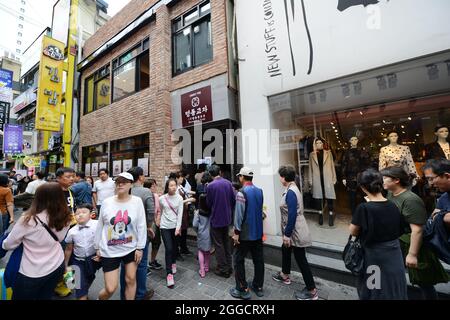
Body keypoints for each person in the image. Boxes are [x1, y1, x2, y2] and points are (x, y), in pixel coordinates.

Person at [381, 166, 449, 299]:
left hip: (412, 244)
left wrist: (412, 254)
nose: (382, 181)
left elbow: (417, 230)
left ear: (396, 180)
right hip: (396, 242)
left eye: (385, 178)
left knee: (423, 281)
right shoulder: (390, 194)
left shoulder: (410, 200)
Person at [2, 183, 72, 300]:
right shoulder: (66, 216)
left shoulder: (29, 218)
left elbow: (9, 244)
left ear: (38, 197)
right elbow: (59, 239)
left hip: (31, 270)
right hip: (56, 264)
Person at [349, 169, 407, 300]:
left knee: (373, 288)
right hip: (394, 254)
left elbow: (353, 231)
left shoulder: (364, 208)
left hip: (374, 255)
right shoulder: (393, 205)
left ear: (363, 188)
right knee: (394, 287)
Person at [94, 172, 147, 300]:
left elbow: (141, 225)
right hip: (109, 250)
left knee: (130, 279)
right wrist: (97, 247)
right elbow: (100, 226)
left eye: (124, 181)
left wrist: (140, 247)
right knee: (111, 288)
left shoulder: (137, 201)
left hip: (130, 248)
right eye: (118, 181)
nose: (120, 184)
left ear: (131, 185)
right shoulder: (107, 202)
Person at [272, 165, 318, 300]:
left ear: (284, 177)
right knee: (285, 249)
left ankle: (312, 290)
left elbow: (292, 214)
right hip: (293, 229)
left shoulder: (291, 191)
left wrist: (287, 235)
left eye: (280, 176)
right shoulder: (291, 187)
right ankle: (284, 275)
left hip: (295, 231)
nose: (279, 178)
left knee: (301, 258)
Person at [119, 167, 155, 300]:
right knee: (141, 264)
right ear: (140, 177)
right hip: (140, 233)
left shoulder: (124, 191)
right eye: (143, 175)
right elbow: (151, 212)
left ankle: (124, 294)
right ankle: (140, 294)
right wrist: (148, 226)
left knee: (125, 264)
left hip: (125, 233)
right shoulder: (146, 191)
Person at [230, 167, 265, 300]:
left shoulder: (241, 193)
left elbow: (239, 216)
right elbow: (260, 211)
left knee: (238, 260)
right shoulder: (260, 191)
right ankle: (258, 286)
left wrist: (236, 233)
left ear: (242, 177)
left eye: (239, 176)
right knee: (259, 260)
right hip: (258, 233)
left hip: (245, 234)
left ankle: (242, 289)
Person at [64, 203, 101, 300]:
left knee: (90, 277)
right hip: (78, 261)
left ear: (91, 214)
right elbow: (68, 249)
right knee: (79, 286)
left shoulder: (97, 225)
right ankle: (81, 294)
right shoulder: (72, 231)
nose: (80, 215)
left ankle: (82, 292)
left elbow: (104, 239)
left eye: (84, 212)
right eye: (77, 213)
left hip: (92, 260)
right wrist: (65, 264)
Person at [206, 165, 236, 278]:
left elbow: (208, 203)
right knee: (226, 243)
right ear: (220, 172)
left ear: (210, 174)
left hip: (216, 218)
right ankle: (229, 265)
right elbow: (233, 200)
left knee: (218, 245)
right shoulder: (228, 183)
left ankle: (223, 269)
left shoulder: (210, 186)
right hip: (227, 218)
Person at [54, 167, 77, 297]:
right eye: (68, 176)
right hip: (59, 231)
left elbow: (73, 209)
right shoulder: (53, 193)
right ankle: (57, 285)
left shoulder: (70, 191)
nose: (72, 179)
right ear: (58, 178)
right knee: (61, 258)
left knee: (72, 259)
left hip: (73, 228)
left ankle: (70, 284)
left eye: (72, 176)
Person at [159, 178, 183, 288]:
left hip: (175, 227)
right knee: (168, 248)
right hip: (164, 226)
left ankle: (173, 262)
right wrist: (158, 221)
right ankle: (169, 274)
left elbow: (180, 214)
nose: (173, 187)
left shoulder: (179, 198)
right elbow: (161, 211)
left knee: (174, 248)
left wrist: (178, 228)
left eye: (175, 185)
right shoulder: (162, 198)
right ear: (167, 187)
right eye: (171, 185)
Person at [193, 173, 213, 279]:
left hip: (201, 233)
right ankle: (206, 267)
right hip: (210, 233)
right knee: (208, 251)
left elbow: (194, 225)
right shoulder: (212, 212)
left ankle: (202, 270)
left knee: (200, 250)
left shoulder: (198, 213)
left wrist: (197, 231)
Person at [424, 159, 450, 226]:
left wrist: (441, 216)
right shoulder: (443, 198)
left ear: (447, 176)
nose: (430, 183)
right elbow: (432, 218)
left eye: (431, 179)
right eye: (428, 179)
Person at [144, 179, 163, 272]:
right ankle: (144, 264)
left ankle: (152, 261)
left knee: (157, 243)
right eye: (153, 186)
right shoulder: (144, 196)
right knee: (145, 245)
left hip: (154, 224)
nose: (155, 187)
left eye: (155, 185)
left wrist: (158, 220)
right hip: (145, 224)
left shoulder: (156, 196)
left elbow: (158, 210)